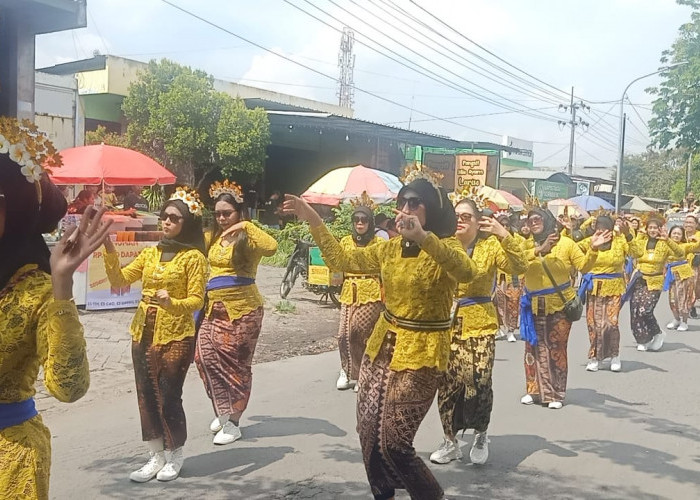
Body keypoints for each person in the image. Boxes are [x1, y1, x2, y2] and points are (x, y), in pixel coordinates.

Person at [283, 164, 477, 500]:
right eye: (402, 203)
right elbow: (342, 259)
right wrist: (313, 218)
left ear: (432, 209)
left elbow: (466, 271)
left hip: (422, 354)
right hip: (381, 348)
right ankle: (383, 493)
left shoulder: (446, 247)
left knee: (396, 443)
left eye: (415, 203)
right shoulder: (388, 249)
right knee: (369, 434)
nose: (405, 210)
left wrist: (423, 238)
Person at [0, 117, 113, 500]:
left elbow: (69, 388)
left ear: (10, 206)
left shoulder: (37, 292)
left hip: (9, 458)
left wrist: (61, 285)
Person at [102, 186, 207, 482]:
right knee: (146, 394)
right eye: (164, 217)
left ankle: (175, 455)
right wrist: (109, 248)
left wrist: (171, 303)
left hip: (176, 334)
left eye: (174, 218)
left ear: (187, 222)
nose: (167, 222)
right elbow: (119, 279)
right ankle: (155, 455)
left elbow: (197, 300)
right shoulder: (150, 253)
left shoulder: (193, 258)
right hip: (143, 331)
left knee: (169, 395)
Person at [430, 189, 527, 466]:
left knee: (479, 380)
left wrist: (504, 235)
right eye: (457, 216)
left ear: (477, 221)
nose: (461, 220)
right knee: (447, 384)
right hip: (445, 324)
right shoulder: (443, 244)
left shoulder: (490, 247)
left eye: (467, 216)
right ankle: (450, 441)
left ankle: (481, 433)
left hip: (480, 321)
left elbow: (520, 266)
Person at [195, 180, 277, 445]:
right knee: (203, 358)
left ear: (239, 213)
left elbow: (272, 247)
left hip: (242, 311)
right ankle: (223, 409)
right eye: (218, 213)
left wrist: (245, 225)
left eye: (227, 214)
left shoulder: (247, 237)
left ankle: (234, 421)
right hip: (212, 310)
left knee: (237, 367)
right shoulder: (212, 237)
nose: (222, 218)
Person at [520, 201, 610, 409]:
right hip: (532, 304)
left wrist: (594, 250)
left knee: (556, 347)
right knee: (532, 348)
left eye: (537, 219)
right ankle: (533, 389)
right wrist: (539, 249)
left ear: (548, 221)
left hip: (559, 304)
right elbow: (517, 265)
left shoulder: (567, 244)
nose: (533, 224)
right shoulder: (526, 245)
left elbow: (584, 266)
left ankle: (555, 393)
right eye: (530, 220)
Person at [335, 192, 384, 392]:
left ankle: (364, 372)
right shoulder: (346, 241)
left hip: (371, 291)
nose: (360, 223)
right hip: (349, 290)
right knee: (343, 334)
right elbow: (337, 262)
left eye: (364, 220)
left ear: (370, 222)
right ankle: (347, 370)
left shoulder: (379, 243)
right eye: (356, 219)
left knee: (360, 330)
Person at [577, 215, 639, 373]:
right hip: (594, 288)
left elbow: (637, 252)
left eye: (605, 229)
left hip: (614, 287)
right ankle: (594, 357)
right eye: (598, 228)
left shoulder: (620, 241)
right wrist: (573, 227)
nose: (602, 232)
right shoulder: (589, 241)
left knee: (611, 323)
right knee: (594, 325)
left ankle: (614, 355)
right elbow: (571, 248)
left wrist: (628, 235)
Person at [623, 214, 684, 352]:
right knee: (635, 310)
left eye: (655, 228)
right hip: (639, 279)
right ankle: (642, 339)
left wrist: (667, 239)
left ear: (660, 229)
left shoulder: (665, 243)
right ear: (646, 229)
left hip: (655, 281)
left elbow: (680, 253)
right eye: (650, 228)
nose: (652, 230)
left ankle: (657, 333)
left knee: (645, 310)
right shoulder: (641, 241)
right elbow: (631, 251)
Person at [493, 209, 526, 342]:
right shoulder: (493, 240)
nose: (505, 227)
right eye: (502, 225)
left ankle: (511, 330)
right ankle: (501, 327)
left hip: (514, 277)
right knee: (499, 304)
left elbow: (522, 257)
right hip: (499, 277)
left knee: (513, 303)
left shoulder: (518, 239)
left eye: (507, 225)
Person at [664, 226, 700, 332]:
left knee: (683, 299)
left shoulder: (685, 246)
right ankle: (676, 319)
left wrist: (697, 239)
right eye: (674, 233)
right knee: (672, 299)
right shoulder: (664, 245)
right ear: (670, 234)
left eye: (679, 234)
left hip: (683, 275)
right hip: (671, 275)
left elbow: (697, 246)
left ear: (682, 236)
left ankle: (684, 322)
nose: (676, 235)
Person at [683, 214, 700, 318]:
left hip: (695, 264)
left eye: (691, 223)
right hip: (681, 264)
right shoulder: (680, 234)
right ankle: (686, 307)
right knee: (683, 287)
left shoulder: (698, 235)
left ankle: (690, 306)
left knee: (694, 287)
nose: (688, 225)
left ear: (696, 224)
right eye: (687, 222)